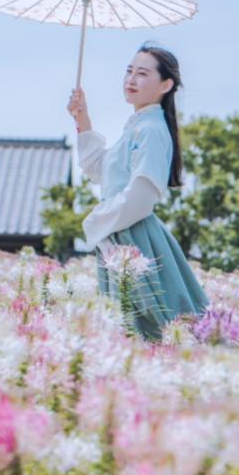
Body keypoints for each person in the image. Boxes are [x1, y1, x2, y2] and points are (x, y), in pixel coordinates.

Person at [66, 44, 209, 342]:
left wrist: (96, 220)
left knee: (147, 325)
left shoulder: (151, 129)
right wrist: (83, 119)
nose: (131, 79)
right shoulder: (139, 125)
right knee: (135, 323)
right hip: (123, 232)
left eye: (142, 73)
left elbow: (141, 197)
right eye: (129, 71)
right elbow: (101, 171)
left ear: (166, 85)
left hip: (134, 236)